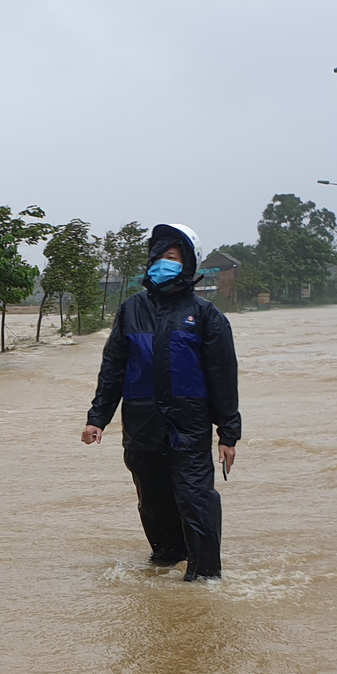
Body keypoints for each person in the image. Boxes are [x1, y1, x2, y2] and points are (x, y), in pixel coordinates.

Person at [81, 222, 240, 581]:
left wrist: (228, 432)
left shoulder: (204, 315)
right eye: (159, 257)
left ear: (188, 265)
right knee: (153, 502)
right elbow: (113, 369)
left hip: (189, 423)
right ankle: (166, 566)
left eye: (172, 258)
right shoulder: (131, 310)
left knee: (195, 499)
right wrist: (97, 418)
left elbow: (223, 377)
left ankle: (204, 580)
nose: (162, 264)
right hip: (141, 424)